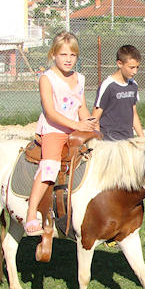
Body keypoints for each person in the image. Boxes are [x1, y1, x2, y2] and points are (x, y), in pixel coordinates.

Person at [25, 32, 96, 235]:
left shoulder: (80, 78)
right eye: (63, 54)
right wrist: (77, 124)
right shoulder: (47, 79)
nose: (68, 59)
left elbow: (81, 107)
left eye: (73, 55)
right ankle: (32, 212)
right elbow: (51, 113)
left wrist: (90, 124)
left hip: (76, 129)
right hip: (54, 130)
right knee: (50, 166)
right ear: (53, 54)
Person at [91, 44, 144, 141]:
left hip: (127, 139)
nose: (135, 72)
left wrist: (143, 138)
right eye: (131, 67)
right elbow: (95, 117)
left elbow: (134, 113)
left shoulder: (133, 85)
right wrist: (98, 141)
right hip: (109, 140)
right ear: (119, 64)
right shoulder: (108, 85)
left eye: (137, 67)